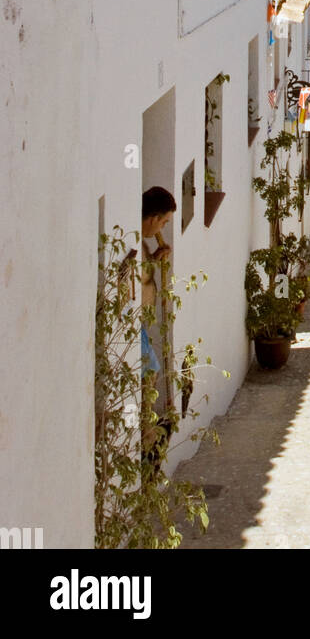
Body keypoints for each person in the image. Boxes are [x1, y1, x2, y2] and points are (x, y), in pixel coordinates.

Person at [139, 186, 176, 470]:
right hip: (130, 327)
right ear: (152, 218)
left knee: (150, 372)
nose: (163, 227)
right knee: (149, 372)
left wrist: (155, 259)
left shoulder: (143, 244)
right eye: (164, 221)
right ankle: (144, 438)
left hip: (137, 325)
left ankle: (146, 434)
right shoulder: (135, 240)